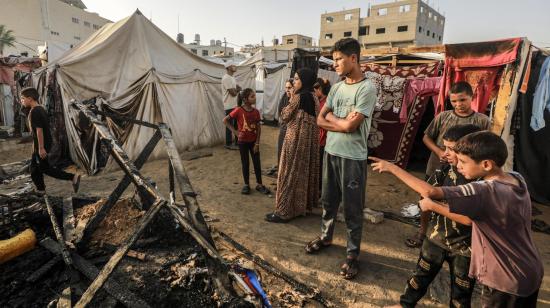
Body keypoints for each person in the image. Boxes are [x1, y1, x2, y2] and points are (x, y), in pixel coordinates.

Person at [394, 131, 543, 308]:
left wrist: (392, 168)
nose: (459, 166)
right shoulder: (516, 179)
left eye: (464, 162)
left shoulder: (483, 191)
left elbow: (430, 192)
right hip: (530, 269)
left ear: (486, 164)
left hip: (506, 279)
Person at [370, 124, 482, 308]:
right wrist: (424, 230)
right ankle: (405, 304)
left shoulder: (479, 180)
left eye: (451, 149)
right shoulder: (446, 169)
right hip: (436, 237)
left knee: (461, 292)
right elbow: (426, 193)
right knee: (420, 276)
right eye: (444, 147)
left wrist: (392, 168)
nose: (444, 153)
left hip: (465, 247)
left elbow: (465, 216)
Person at [304, 38, 377, 280]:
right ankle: (326, 238)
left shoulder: (367, 88)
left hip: (353, 158)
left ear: (353, 58)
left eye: (338, 59)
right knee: (328, 201)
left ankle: (353, 254)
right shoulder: (335, 88)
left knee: (353, 209)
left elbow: (351, 127)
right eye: (333, 59)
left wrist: (337, 120)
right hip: (331, 153)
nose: (334, 64)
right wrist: (342, 122)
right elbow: (320, 120)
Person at [407, 81, 490, 248]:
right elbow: (426, 137)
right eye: (454, 101)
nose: (458, 104)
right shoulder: (443, 116)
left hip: (465, 171)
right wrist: (439, 152)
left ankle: (456, 238)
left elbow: (484, 145)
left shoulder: (482, 121)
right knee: (427, 196)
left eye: (462, 100)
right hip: (438, 164)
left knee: (460, 203)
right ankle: (422, 232)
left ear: (471, 97)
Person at [265, 68, 320, 223]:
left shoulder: (298, 97)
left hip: (294, 140)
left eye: (296, 79)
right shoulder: (314, 97)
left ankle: (284, 211)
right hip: (308, 142)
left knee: (288, 173)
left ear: (304, 80)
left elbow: (284, 115)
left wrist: (288, 100)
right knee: (302, 173)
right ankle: (300, 208)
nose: (294, 81)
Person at [20, 87, 80, 194]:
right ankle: (41, 189)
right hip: (41, 144)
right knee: (35, 169)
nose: (22, 101)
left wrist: (41, 148)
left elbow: (39, 130)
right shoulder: (40, 109)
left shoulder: (35, 112)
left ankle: (72, 177)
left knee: (44, 168)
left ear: (30, 99)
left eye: (23, 98)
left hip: (41, 145)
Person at [223, 88, 271, 195]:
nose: (255, 98)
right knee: (245, 163)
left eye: (254, 95)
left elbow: (258, 128)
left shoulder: (256, 112)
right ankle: (246, 185)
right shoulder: (238, 110)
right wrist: (235, 132)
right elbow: (225, 120)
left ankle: (259, 184)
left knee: (257, 163)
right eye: (252, 96)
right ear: (245, 99)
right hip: (242, 142)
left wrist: (257, 143)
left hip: (253, 142)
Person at [314, 78, 331, 193]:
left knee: (320, 167)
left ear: (319, 89)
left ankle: (320, 190)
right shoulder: (320, 101)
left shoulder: (325, 103)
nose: (314, 93)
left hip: (322, 139)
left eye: (314, 90)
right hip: (318, 138)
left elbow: (325, 121)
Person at [222, 62, 241, 150]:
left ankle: (237, 142)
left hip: (234, 105)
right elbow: (233, 93)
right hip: (229, 105)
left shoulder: (232, 78)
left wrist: (236, 89)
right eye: (233, 65)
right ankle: (228, 143)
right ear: (229, 67)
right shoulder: (226, 78)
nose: (235, 66)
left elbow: (236, 88)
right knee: (229, 124)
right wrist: (237, 90)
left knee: (236, 124)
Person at [276, 79, 294, 164]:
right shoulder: (284, 97)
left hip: (293, 131)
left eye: (289, 87)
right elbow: (280, 113)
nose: (287, 89)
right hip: (284, 128)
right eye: (286, 87)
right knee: (281, 150)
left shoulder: (297, 99)